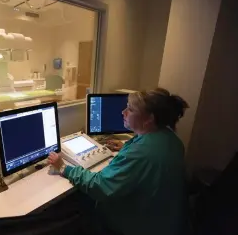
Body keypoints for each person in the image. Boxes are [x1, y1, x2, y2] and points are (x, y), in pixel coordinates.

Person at [48, 88, 190, 235]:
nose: (123, 112)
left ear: (149, 118)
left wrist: (64, 167)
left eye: (130, 109)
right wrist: (125, 147)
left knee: (78, 202)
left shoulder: (139, 153)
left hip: (137, 225)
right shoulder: (172, 139)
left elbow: (99, 186)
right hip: (164, 220)